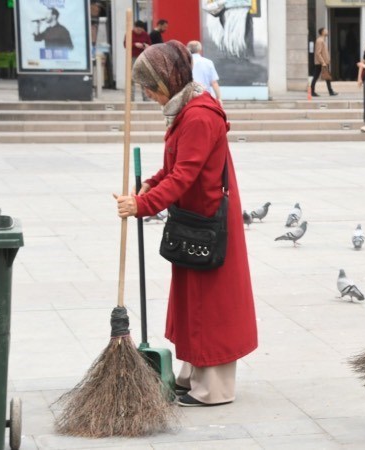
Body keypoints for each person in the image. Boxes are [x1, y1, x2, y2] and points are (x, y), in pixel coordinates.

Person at [114, 40, 258, 407]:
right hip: (193, 219)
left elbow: (185, 176)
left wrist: (143, 204)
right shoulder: (185, 109)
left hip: (208, 221)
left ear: (167, 79)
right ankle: (193, 374)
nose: (147, 94)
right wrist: (150, 184)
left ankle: (214, 388)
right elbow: (174, 168)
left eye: (149, 86)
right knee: (192, 301)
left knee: (210, 304)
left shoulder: (198, 115)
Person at [124, 21, 152, 101]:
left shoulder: (145, 34)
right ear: (134, 27)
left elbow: (149, 44)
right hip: (132, 57)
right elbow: (125, 44)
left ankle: (146, 97)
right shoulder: (129, 34)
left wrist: (145, 46)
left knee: (144, 78)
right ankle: (131, 98)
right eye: (138, 29)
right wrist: (134, 44)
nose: (139, 31)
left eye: (141, 30)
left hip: (143, 57)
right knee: (131, 78)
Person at [311, 27, 338, 97]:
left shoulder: (322, 40)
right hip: (321, 63)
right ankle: (312, 91)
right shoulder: (320, 40)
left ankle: (331, 91)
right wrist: (323, 62)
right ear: (322, 32)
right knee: (316, 77)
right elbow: (318, 53)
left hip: (323, 62)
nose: (327, 31)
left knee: (326, 77)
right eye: (325, 30)